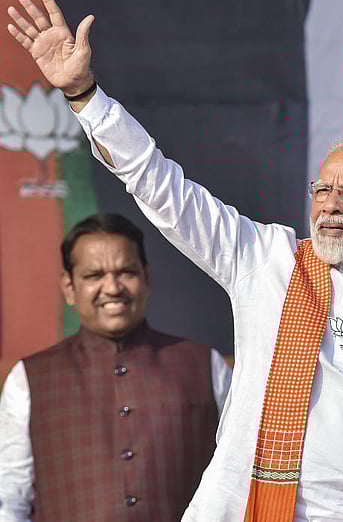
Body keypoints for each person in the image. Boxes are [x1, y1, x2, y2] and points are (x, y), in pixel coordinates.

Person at [6, 0, 343, 522]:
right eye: (323, 190)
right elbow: (160, 185)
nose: (331, 207)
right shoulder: (262, 258)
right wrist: (86, 95)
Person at [0, 213, 231, 521]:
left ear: (146, 278)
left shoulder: (206, 365)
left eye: (126, 272)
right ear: (69, 287)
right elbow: (9, 500)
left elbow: (238, 478)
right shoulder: (28, 379)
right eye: (94, 275)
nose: (112, 287)